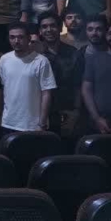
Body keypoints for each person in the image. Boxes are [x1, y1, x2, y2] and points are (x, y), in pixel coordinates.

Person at [0, 22, 57, 134]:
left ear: (28, 38)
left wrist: (42, 123)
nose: (16, 41)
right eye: (12, 37)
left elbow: (46, 93)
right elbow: (3, 90)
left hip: (32, 125)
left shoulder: (41, 61)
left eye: (20, 37)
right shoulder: (4, 59)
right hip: (8, 122)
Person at [37, 11, 81, 139]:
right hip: (38, 112)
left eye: (53, 26)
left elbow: (78, 85)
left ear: (60, 28)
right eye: (44, 27)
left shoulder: (73, 53)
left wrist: (76, 112)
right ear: (40, 31)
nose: (49, 30)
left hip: (67, 112)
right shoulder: (34, 55)